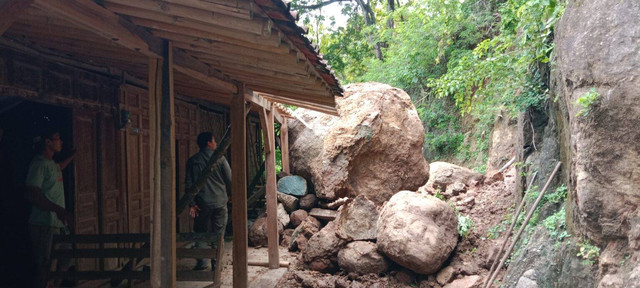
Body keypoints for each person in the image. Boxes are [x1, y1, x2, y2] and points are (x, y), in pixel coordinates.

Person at [25, 127, 75, 288]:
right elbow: (33, 195)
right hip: (44, 224)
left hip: (58, 224)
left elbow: (59, 167)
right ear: (47, 142)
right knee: (46, 267)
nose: (61, 141)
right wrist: (59, 210)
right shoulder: (39, 164)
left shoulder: (52, 164)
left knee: (66, 260)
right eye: (57, 138)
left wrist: (74, 155)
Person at [185, 132, 232, 271]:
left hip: (201, 204)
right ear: (208, 143)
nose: (216, 143)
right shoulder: (220, 159)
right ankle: (216, 264)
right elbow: (229, 179)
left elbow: (189, 184)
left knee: (200, 232)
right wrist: (230, 195)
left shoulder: (193, 160)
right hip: (219, 202)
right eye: (214, 141)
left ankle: (202, 262)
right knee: (219, 233)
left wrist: (192, 203)